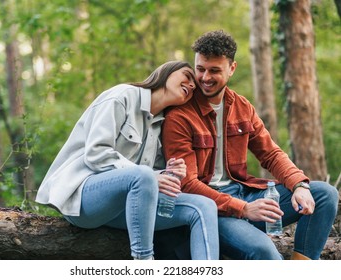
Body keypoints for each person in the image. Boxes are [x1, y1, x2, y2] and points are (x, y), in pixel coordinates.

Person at [162, 30, 339, 260]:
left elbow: (271, 154)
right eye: (200, 69)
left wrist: (298, 185)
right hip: (213, 211)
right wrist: (243, 209)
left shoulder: (242, 107)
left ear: (232, 68)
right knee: (266, 252)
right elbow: (187, 185)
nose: (205, 77)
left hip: (246, 195)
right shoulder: (180, 116)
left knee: (324, 193)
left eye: (214, 70)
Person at [35, 61, 219, 260]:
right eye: (187, 76)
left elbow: (147, 178)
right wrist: (149, 176)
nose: (192, 85)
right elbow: (96, 153)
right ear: (165, 73)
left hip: (128, 207)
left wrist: (166, 173)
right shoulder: (121, 96)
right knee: (142, 175)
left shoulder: (163, 123)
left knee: (204, 206)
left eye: (194, 85)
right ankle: (143, 262)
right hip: (83, 199)